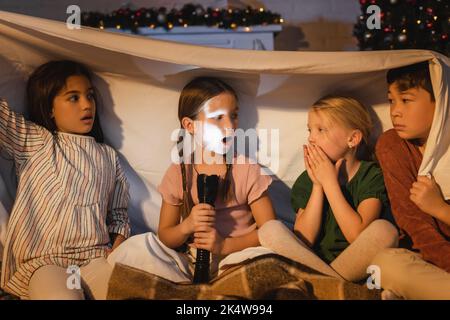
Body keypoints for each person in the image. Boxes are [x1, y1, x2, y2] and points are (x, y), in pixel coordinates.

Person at [107, 77, 276, 282]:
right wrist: (187, 226)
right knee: (138, 248)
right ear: (190, 125)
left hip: (240, 254)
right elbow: (166, 235)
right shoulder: (179, 172)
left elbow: (270, 230)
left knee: (265, 262)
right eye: (218, 118)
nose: (230, 126)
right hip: (193, 260)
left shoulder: (247, 168)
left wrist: (225, 246)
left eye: (234, 116)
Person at [0, 60, 130, 299]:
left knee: (127, 293)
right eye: (73, 97)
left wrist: (116, 249)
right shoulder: (37, 143)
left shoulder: (108, 157)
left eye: (90, 96)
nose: (86, 105)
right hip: (46, 262)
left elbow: (119, 215)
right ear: (50, 108)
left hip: (95, 259)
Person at [259, 95, 398, 282]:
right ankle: (334, 286)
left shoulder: (370, 175)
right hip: (314, 262)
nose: (311, 138)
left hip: (356, 266)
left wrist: (330, 184)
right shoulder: (307, 179)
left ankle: (324, 285)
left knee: (385, 230)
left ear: (353, 138)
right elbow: (304, 239)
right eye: (310, 130)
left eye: (321, 130)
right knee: (269, 229)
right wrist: (318, 185)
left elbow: (356, 235)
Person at [372, 61, 450, 299]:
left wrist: (440, 208)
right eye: (391, 101)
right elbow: (413, 224)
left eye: (406, 100)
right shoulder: (393, 146)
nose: (395, 111)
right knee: (383, 263)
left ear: (440, 101)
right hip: (431, 263)